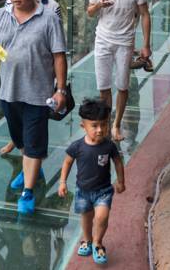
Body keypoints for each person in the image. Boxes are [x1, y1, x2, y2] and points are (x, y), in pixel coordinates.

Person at [0, 0, 68, 214]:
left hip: (38, 93)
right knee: (22, 141)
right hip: (8, 91)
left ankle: (28, 191)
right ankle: (32, 171)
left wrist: (60, 90)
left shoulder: (49, 18)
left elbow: (59, 56)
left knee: (34, 141)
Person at [0, 0, 62, 156]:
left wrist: (59, 87)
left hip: (38, 76)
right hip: (12, 73)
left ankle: (30, 168)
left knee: (34, 122)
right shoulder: (9, 5)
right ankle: (20, 145)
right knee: (17, 117)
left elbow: (57, 46)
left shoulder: (52, 9)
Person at [87, 0, 151, 142]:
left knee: (122, 86)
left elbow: (145, 14)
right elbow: (90, 12)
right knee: (103, 87)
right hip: (102, 40)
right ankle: (106, 124)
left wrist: (146, 45)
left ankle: (116, 125)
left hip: (124, 42)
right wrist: (99, 5)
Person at [58, 98, 125, 265]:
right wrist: (62, 182)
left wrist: (121, 181)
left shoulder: (109, 146)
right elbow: (67, 162)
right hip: (83, 191)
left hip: (103, 191)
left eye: (104, 124)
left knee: (102, 217)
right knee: (86, 218)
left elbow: (117, 162)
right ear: (83, 126)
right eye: (94, 126)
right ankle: (87, 240)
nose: (100, 130)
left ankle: (97, 243)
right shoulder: (77, 146)